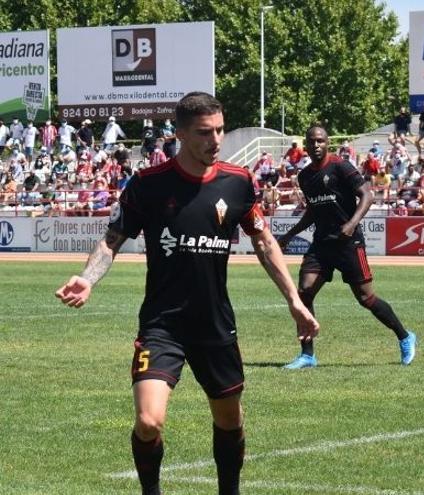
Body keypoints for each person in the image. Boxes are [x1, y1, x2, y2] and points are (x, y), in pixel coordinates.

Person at [54, 92, 319, 495]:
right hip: (163, 324)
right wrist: (88, 278)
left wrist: (294, 301)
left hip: (215, 324)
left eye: (219, 130)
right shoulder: (148, 185)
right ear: (179, 134)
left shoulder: (239, 182)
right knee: (149, 421)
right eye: (204, 133)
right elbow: (111, 240)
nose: (215, 140)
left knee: (230, 420)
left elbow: (264, 242)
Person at [277, 125, 416, 369]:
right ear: (306, 146)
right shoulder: (305, 176)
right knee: (304, 292)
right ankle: (307, 355)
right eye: (312, 141)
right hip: (321, 244)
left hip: (349, 243)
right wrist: (289, 234)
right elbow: (313, 211)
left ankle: (405, 336)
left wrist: (352, 224)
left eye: (320, 140)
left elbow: (367, 195)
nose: (316, 145)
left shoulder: (340, 166)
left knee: (366, 298)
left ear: (327, 142)